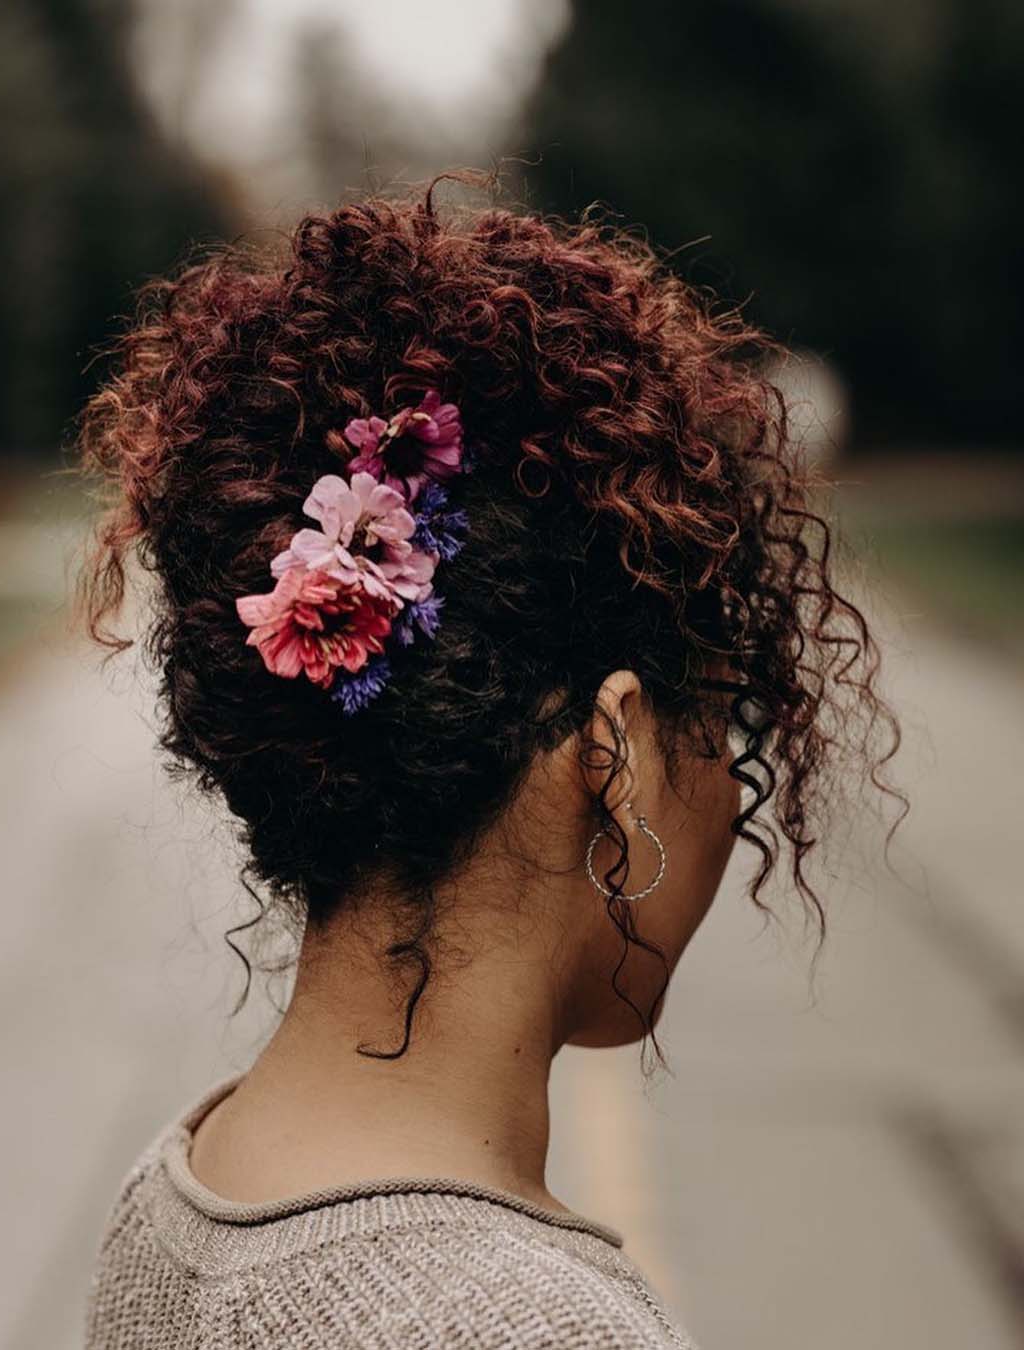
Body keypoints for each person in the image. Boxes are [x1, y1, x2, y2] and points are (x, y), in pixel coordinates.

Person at [77, 171, 896, 1348]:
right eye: (720, 724)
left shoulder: (177, 1197)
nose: (732, 789)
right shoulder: (532, 1329)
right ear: (611, 757)